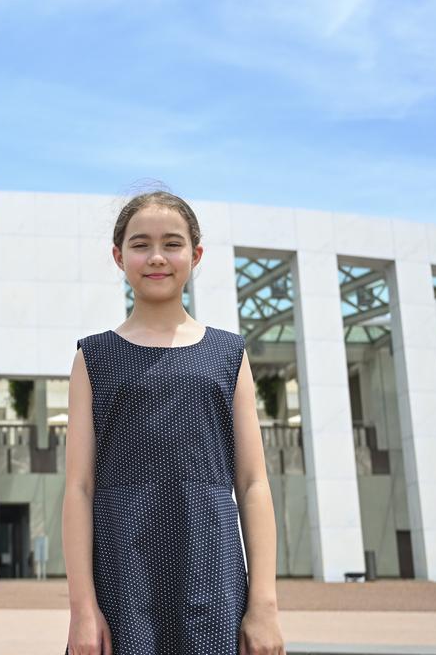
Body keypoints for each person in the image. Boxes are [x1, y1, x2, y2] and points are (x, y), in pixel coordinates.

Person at [62, 191, 285, 655]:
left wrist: (264, 605)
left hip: (213, 571)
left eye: (173, 243)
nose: (157, 257)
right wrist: (83, 608)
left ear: (195, 255)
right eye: (141, 244)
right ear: (118, 256)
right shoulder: (94, 356)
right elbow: (79, 487)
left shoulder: (229, 353)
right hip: (121, 577)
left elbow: (252, 482)